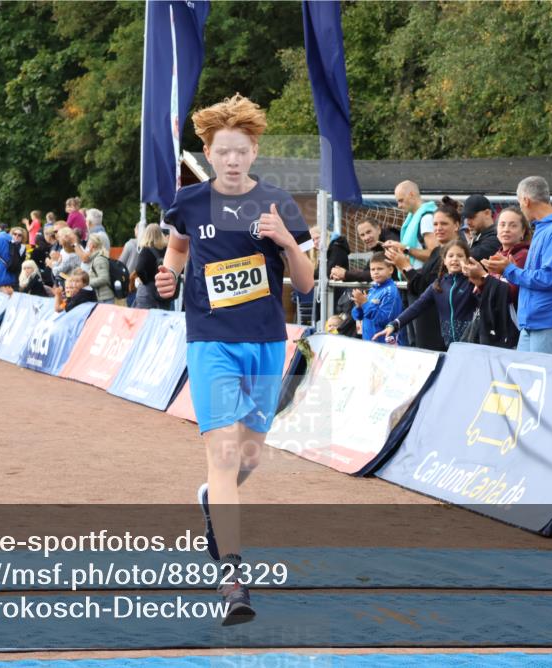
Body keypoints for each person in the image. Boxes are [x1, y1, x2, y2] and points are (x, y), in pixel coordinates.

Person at [154, 94, 313, 625]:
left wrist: (287, 241)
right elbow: (176, 249)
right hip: (210, 340)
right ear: (208, 151)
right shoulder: (189, 202)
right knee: (224, 457)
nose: (232, 161)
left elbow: (307, 283)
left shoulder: (278, 203)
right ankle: (233, 580)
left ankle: (210, 500)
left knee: (247, 459)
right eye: (222, 152)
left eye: (241, 152)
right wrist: (170, 274)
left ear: (253, 150)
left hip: (266, 341)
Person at [485, 176, 552, 355]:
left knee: (542, 380)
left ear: (526, 200)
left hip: (546, 322)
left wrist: (509, 270)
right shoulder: (544, 229)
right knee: (524, 379)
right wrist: (513, 268)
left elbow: (548, 278)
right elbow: (537, 275)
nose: (521, 208)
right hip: (532, 322)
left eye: (520, 203)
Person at [385, 197, 467, 351]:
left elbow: (427, 287)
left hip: (440, 328)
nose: (438, 228)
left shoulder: (457, 254)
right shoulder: (437, 251)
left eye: (444, 224)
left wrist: (406, 266)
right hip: (427, 324)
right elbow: (423, 286)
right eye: (435, 224)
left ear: (456, 225)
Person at [378, 241, 477, 347]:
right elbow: (416, 307)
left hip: (471, 345)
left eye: (460, 256)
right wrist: (395, 324)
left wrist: (477, 278)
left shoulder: (473, 282)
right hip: (449, 346)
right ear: (444, 261)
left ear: (467, 260)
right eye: (450, 256)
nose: (455, 259)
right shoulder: (438, 285)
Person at [462, 207, 532, 348]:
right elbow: (490, 292)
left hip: (512, 327)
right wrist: (478, 281)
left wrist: (483, 276)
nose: (506, 229)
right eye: (502, 224)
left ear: (523, 232)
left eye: (513, 225)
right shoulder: (498, 255)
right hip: (496, 325)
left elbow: (511, 293)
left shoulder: (523, 255)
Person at [351, 252, 402, 344]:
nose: (376, 272)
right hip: (369, 342)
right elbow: (357, 317)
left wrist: (365, 304)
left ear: (390, 270)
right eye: (372, 269)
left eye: (380, 268)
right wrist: (358, 307)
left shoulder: (390, 291)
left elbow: (385, 320)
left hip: (384, 345)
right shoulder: (373, 290)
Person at [394, 180, 438, 268]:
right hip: (416, 277)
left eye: (401, 200)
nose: (399, 205)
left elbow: (435, 255)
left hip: (425, 278)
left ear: (411, 194)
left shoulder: (426, 218)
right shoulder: (413, 219)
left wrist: (405, 248)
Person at [133, 223, 171, 310]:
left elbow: (139, 269)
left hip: (148, 292)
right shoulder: (166, 249)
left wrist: (145, 281)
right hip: (164, 289)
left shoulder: (146, 250)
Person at [461, 194, 501, 261]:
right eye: (466, 218)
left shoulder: (496, 237)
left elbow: (470, 258)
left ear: (487, 213)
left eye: (472, 217)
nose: (468, 222)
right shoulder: (481, 236)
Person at [84, 234, 114, 304]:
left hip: (104, 298)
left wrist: (87, 284)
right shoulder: (96, 257)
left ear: (91, 245)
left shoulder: (99, 259)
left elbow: (104, 278)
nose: (87, 247)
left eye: (88, 245)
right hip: (102, 297)